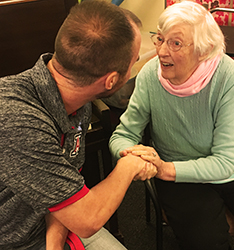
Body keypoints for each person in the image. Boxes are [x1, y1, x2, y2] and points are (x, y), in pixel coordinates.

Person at [0, 1, 157, 249]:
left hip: (49, 226)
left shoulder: (78, 102)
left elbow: (62, 194)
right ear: (111, 80)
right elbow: (86, 219)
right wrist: (128, 166)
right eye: (134, 61)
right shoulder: (17, 119)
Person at [109, 1, 234, 250]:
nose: (162, 52)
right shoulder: (150, 75)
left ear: (204, 50)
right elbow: (123, 134)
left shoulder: (228, 76)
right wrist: (132, 155)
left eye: (175, 43)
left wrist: (163, 169)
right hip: (179, 172)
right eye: (160, 39)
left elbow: (226, 162)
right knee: (206, 243)